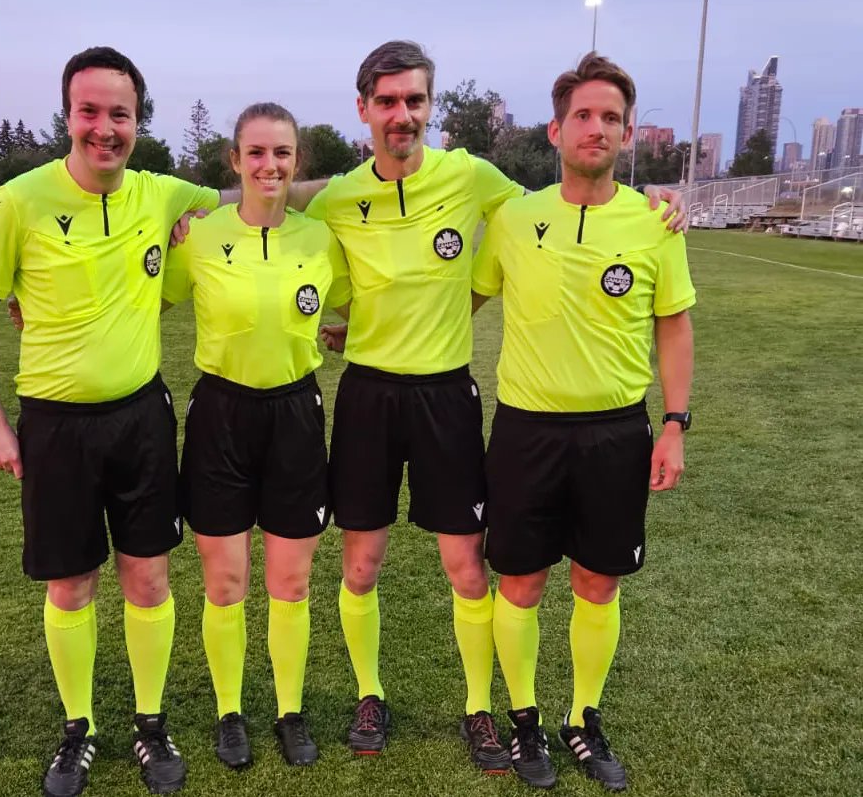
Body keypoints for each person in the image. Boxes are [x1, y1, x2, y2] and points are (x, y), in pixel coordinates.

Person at [305, 40, 686, 773]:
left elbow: (558, 207)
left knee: (469, 568)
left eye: (415, 100)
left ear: (430, 107)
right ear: (363, 110)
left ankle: (482, 708)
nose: (402, 114)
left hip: (449, 394)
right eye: (387, 101)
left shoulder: (475, 178)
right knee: (360, 565)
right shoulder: (334, 200)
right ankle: (369, 693)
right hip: (366, 395)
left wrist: (662, 202)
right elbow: (283, 242)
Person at [0, 46, 224, 797]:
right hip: (55, 425)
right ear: (67, 115)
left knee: (148, 576)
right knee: (71, 585)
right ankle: (79, 729)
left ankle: (150, 721)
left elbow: (252, 197)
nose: (105, 128)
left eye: (121, 114)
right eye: (91, 112)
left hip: (140, 418)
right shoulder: (22, 200)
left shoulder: (162, 193)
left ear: (140, 121)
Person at [471, 52, 695, 791]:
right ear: (556, 128)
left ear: (628, 134)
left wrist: (674, 423)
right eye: (583, 115)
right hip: (526, 430)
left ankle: (583, 718)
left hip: (616, 433)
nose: (595, 128)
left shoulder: (655, 222)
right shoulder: (513, 217)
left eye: (610, 118)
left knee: (599, 583)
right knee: (522, 582)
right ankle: (527, 720)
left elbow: (673, 325)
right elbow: (462, 301)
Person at [162, 102, 351, 770]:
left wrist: (345, 329)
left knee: (292, 581)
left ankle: (290, 710)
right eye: (257, 153)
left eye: (282, 153)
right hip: (221, 416)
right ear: (234, 160)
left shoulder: (321, 238)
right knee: (225, 581)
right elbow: (144, 295)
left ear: (297, 161)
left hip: (297, 416)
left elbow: (364, 304)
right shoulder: (201, 237)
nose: (270, 165)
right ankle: (229, 711)